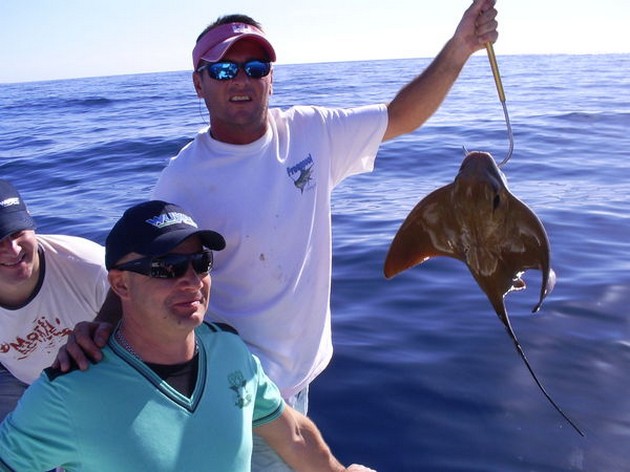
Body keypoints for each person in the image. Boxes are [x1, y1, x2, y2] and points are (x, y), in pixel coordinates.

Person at [56, 1, 499, 469]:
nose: (241, 79)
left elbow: (399, 117)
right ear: (198, 82)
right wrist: (101, 329)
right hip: (237, 385)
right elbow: (136, 265)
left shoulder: (311, 132)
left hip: (303, 370)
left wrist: (460, 48)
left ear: (271, 75)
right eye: (225, 68)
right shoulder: (182, 181)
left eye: (255, 66)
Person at [0, 200, 374, 471]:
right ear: (120, 285)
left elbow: (292, 434)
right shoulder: (67, 393)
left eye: (201, 263)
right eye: (167, 267)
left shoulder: (230, 350)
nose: (192, 280)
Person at [0, 179, 110, 420]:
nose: (13, 249)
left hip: (101, 375)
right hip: (19, 381)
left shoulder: (91, 266)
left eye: (17, 232)